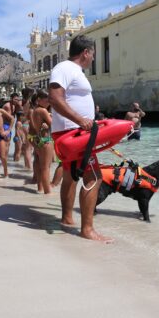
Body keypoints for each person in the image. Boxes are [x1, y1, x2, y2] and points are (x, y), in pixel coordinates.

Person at [48, 35, 111, 243]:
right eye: (92, 53)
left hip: (74, 131)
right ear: (86, 52)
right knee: (94, 177)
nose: (93, 58)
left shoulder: (72, 71)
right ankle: (87, 229)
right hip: (75, 132)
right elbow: (55, 98)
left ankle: (67, 218)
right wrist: (80, 120)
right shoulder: (65, 68)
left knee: (70, 175)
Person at [30, 89, 55, 194]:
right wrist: (52, 117)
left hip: (39, 140)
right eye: (47, 100)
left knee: (42, 166)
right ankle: (47, 191)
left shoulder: (35, 110)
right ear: (39, 99)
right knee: (46, 167)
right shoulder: (43, 111)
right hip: (45, 140)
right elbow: (53, 125)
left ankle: (40, 188)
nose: (49, 102)